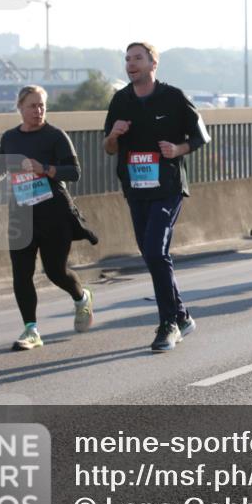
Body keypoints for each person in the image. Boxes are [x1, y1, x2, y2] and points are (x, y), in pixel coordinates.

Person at [103, 42, 210, 351]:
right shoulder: (121, 100)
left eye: (138, 58)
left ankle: (168, 324)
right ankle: (182, 314)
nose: (131, 63)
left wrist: (178, 149)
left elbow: (201, 136)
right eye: (127, 59)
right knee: (153, 254)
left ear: (153, 64)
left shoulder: (173, 97)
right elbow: (108, 148)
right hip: (135, 189)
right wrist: (114, 135)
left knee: (154, 250)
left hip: (168, 188)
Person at [0, 85, 98, 351]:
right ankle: (31, 330)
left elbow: (74, 172)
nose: (38, 111)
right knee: (21, 274)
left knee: (56, 272)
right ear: (20, 108)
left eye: (42, 105)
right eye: (32, 106)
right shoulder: (10, 137)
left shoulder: (55, 136)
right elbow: (1, 166)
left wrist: (44, 168)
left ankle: (81, 297)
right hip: (21, 214)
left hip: (54, 213)